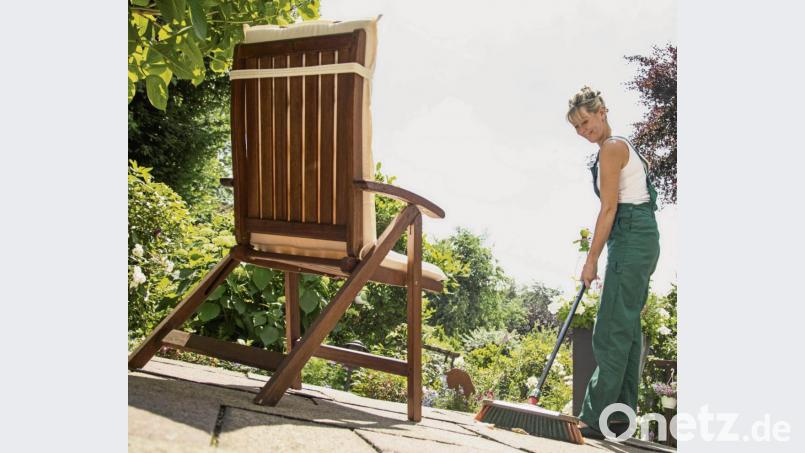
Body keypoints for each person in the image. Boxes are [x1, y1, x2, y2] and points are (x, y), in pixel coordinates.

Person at [566, 86, 661, 439]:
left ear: (602, 112)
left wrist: (591, 260)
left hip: (632, 234)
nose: (583, 130)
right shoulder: (618, 147)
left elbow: (609, 209)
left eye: (586, 121)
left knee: (610, 328)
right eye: (576, 127)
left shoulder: (611, 148)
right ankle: (618, 418)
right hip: (640, 236)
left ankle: (593, 418)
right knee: (628, 329)